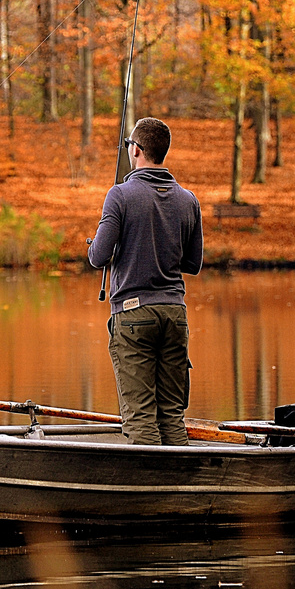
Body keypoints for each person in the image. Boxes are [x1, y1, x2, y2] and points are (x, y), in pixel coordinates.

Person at [87, 117, 203, 446]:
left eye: (129, 146)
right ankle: (180, 489)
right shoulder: (188, 200)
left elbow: (98, 256)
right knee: (171, 414)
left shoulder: (119, 196)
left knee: (139, 415)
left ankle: (151, 493)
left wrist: (99, 242)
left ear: (137, 150)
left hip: (133, 315)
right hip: (174, 315)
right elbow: (193, 264)